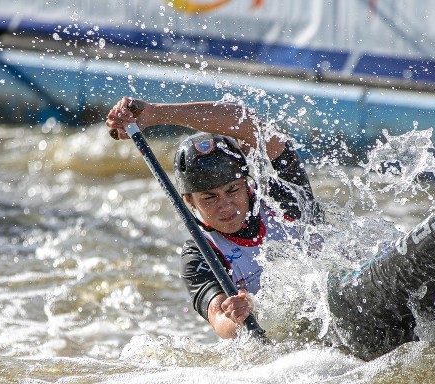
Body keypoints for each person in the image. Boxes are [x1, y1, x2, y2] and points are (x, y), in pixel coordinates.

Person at [106, 97, 320, 339]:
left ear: (247, 185)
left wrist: (155, 114)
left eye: (232, 190)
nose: (226, 206)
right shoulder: (200, 254)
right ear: (190, 202)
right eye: (209, 198)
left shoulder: (280, 195)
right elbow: (220, 321)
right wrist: (239, 316)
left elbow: (248, 124)